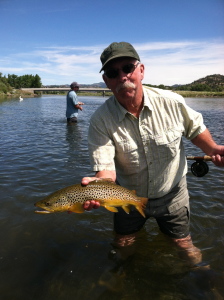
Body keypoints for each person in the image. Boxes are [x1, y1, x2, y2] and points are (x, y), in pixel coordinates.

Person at [81, 42, 224, 266]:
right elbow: (106, 170)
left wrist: (213, 149)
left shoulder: (172, 102)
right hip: (125, 195)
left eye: (128, 67)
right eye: (112, 73)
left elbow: (195, 130)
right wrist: (98, 185)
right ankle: (117, 280)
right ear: (107, 81)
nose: (122, 77)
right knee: (122, 245)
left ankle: (204, 278)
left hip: (173, 194)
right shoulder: (100, 120)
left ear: (141, 70)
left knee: (185, 246)